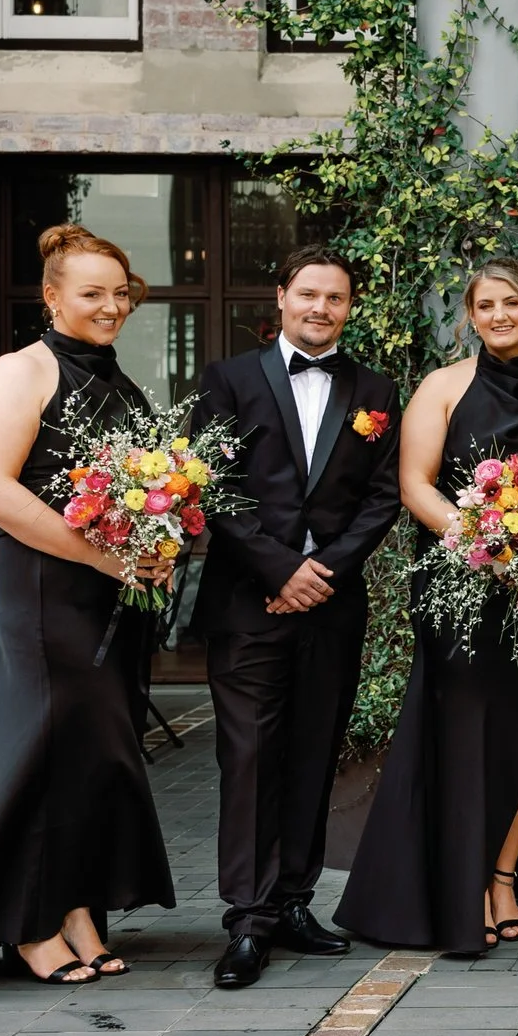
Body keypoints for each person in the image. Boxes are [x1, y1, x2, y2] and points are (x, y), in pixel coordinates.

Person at [0, 224, 175, 981]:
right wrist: (108, 556)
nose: (110, 305)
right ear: (53, 295)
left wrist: (156, 545)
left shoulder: (118, 377)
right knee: (41, 745)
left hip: (106, 591)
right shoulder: (20, 370)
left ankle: (77, 909)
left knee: (94, 750)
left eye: (119, 292)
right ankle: (28, 924)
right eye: (91, 292)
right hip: (45, 586)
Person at [335, 258, 518, 954]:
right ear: (470, 315)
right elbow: (415, 485)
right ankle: (464, 883)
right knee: (464, 732)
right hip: (461, 583)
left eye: (511, 302)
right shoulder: (443, 387)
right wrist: (487, 542)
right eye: (485, 306)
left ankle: (505, 877)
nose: (499, 316)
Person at [189, 246, 403, 990]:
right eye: (308, 293)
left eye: (335, 298)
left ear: (349, 307)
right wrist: (280, 569)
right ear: (281, 296)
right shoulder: (227, 379)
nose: (320, 308)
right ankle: (247, 919)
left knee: (315, 752)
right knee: (249, 759)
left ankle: (294, 901)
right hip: (250, 603)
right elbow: (212, 485)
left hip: (332, 606)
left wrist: (325, 573)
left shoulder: (375, 389)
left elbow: (381, 497)